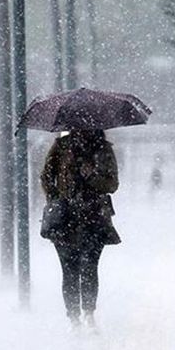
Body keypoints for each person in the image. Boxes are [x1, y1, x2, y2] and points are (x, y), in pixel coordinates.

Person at [40, 129, 120, 330]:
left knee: (90, 267)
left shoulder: (103, 149)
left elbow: (112, 184)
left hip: (94, 217)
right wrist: (56, 198)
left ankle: (88, 313)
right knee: (69, 269)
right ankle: (74, 317)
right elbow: (46, 176)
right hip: (65, 219)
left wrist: (91, 176)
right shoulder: (61, 147)